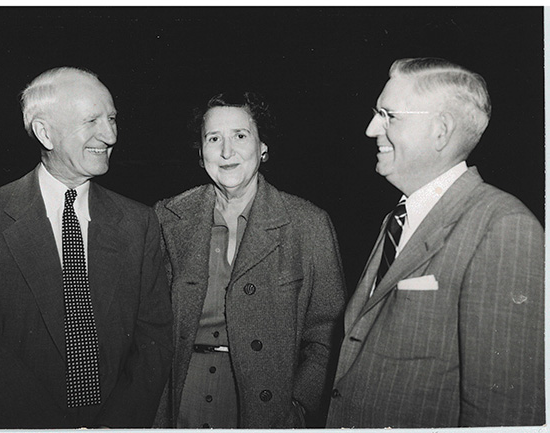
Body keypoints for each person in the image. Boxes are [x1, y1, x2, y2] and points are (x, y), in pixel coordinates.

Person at [0, 67, 173, 429]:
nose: (110, 134)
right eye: (92, 120)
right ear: (45, 132)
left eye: (112, 118)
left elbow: (153, 343)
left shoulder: (138, 222)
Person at [326, 57, 544, 428]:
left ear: (440, 130)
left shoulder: (504, 227)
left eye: (389, 115)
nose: (370, 128)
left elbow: (504, 412)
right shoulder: (398, 218)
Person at [152, 91, 345, 428]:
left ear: (263, 147)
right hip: (179, 400)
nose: (227, 152)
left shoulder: (308, 223)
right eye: (214, 139)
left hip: (267, 407)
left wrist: (298, 405)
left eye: (240, 136)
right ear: (200, 152)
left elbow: (329, 332)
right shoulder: (167, 218)